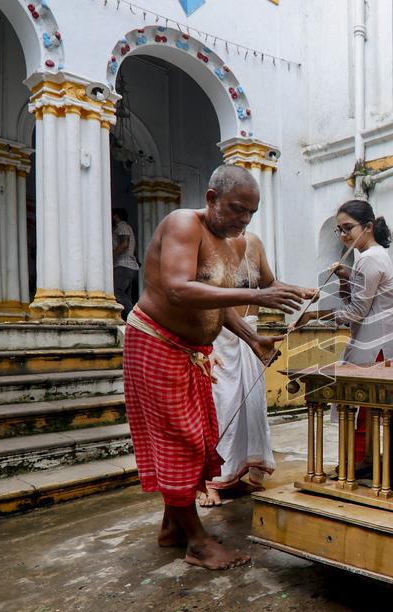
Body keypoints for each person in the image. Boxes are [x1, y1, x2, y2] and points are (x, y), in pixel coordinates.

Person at [123, 164, 315, 570]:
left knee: (203, 436)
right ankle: (197, 542)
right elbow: (177, 287)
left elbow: (220, 303)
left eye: (250, 213)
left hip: (193, 351)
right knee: (184, 440)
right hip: (156, 342)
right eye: (235, 209)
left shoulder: (233, 243)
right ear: (211, 198)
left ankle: (171, 527)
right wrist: (261, 296)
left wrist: (252, 337)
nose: (242, 220)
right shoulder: (183, 224)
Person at [293, 200, 393, 462]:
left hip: (374, 345)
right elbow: (351, 300)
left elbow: (355, 312)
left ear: (368, 227)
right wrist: (345, 275)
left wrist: (312, 315)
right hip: (373, 340)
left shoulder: (370, 259)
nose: (343, 235)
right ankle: (361, 466)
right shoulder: (367, 258)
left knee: (360, 412)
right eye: (339, 230)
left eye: (348, 228)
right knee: (361, 410)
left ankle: (357, 468)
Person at [198, 231, 292, 507]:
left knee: (251, 409)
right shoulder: (207, 242)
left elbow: (270, 282)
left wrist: (297, 292)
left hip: (249, 333)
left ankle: (237, 475)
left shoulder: (255, 242)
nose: (242, 218)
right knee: (222, 407)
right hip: (218, 335)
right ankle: (208, 482)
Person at [112, 208, 139, 321]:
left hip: (123, 265)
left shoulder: (121, 226)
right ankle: (128, 319)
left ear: (116, 216)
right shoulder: (129, 228)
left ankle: (132, 319)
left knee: (118, 293)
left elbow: (125, 243)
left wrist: (112, 257)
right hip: (131, 266)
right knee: (126, 296)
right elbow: (135, 248)